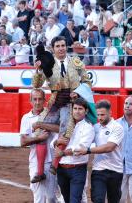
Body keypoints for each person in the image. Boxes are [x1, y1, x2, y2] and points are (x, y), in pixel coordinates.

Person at [31, 36, 91, 182]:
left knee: (66, 129)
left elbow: (87, 82)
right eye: (57, 46)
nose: (61, 48)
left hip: (71, 102)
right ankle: (40, 172)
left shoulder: (76, 63)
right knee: (39, 131)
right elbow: (36, 85)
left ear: (66, 46)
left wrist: (78, 92)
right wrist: (38, 70)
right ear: (53, 48)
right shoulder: (48, 63)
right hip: (54, 101)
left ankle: (54, 165)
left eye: (63, 45)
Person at [74, 100, 124, 203]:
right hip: (98, 169)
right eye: (98, 115)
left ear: (110, 113)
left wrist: (87, 150)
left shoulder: (117, 127)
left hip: (115, 170)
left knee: (114, 200)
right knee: (98, 199)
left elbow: (109, 147)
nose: (100, 117)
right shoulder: (95, 127)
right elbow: (84, 141)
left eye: (102, 115)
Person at [53, 97, 94, 203]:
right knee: (67, 200)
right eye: (75, 108)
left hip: (78, 169)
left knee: (75, 200)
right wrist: (57, 142)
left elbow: (81, 149)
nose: (77, 111)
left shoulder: (88, 127)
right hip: (61, 169)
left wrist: (62, 152)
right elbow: (51, 144)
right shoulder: (64, 124)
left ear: (86, 111)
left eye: (80, 109)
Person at [20, 89, 59, 202]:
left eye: (40, 99)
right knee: (39, 198)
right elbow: (23, 142)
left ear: (44, 100)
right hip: (35, 162)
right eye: (35, 99)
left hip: (51, 161)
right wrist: (39, 138)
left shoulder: (51, 114)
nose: (37, 102)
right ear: (30, 101)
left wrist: (42, 124)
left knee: (52, 197)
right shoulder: (26, 118)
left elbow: (60, 129)